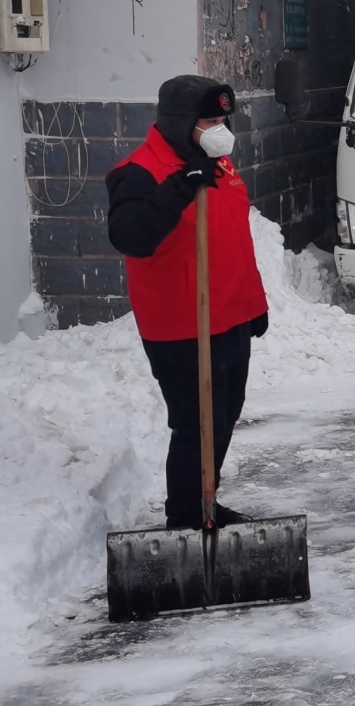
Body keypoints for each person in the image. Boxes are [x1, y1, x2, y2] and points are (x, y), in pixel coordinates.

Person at [106, 76, 271, 529]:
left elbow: (234, 237)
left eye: (223, 120)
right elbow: (131, 237)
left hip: (231, 316)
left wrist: (253, 304)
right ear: (181, 123)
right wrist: (179, 186)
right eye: (210, 121)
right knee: (196, 426)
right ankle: (185, 516)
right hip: (182, 325)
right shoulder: (138, 171)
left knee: (222, 419)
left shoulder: (218, 163)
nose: (220, 129)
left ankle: (206, 501)